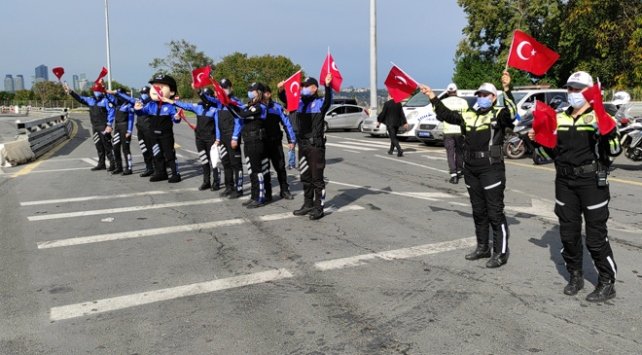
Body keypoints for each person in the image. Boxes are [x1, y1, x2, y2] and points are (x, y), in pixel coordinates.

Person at [529, 71, 621, 302]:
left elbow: (615, 150)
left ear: (590, 93)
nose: (573, 93)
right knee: (568, 234)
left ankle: (607, 282)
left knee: (595, 238)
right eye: (570, 88)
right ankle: (575, 275)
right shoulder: (559, 117)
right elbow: (546, 154)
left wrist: (606, 130)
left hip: (591, 182)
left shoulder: (600, 117)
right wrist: (536, 140)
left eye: (578, 89)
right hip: (564, 182)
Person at [420, 71, 517, 268]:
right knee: (478, 211)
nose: (481, 98)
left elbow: (513, 112)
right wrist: (432, 96)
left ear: (493, 97)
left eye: (485, 95)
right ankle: (483, 247)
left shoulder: (499, 114)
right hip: (471, 168)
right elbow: (445, 114)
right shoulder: (468, 114)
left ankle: (501, 252)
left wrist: (507, 89)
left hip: (491, 168)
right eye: (479, 95)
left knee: (494, 212)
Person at [278, 74, 333, 220]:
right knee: (305, 176)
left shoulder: (320, 103)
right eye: (302, 86)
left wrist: (327, 86)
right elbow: (286, 100)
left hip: (315, 145)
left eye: (306, 86)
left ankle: (318, 208)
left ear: (314, 88)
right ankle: (308, 204)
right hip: (302, 145)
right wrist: (281, 90)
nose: (302, 89)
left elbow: (328, 101)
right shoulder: (300, 103)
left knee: (317, 178)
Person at [161, 88, 221, 191]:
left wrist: (218, 139)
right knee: (204, 160)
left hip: (211, 139)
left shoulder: (215, 109)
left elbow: (218, 125)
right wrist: (170, 101)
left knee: (213, 161)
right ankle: (206, 182)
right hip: (200, 139)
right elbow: (184, 105)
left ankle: (216, 182)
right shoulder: (198, 107)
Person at [134, 74, 182, 183]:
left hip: (166, 135)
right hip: (153, 135)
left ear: (172, 92)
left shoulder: (170, 106)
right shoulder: (151, 105)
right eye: (155, 86)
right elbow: (141, 112)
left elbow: (175, 119)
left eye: (162, 87)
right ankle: (161, 173)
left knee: (169, 154)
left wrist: (177, 118)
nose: (157, 89)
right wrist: (137, 109)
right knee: (156, 154)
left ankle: (175, 174)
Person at [205, 79, 245, 198]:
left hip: (232, 137)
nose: (224, 89)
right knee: (226, 163)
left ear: (231, 87)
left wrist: (235, 137)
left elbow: (239, 120)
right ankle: (229, 187)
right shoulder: (219, 103)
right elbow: (217, 122)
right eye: (221, 88)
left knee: (236, 164)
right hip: (222, 138)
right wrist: (199, 91)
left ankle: (239, 189)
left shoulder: (235, 102)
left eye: (226, 87)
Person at [64, 81, 116, 171]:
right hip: (95, 126)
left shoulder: (106, 100)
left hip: (104, 126)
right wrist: (71, 92)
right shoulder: (90, 99)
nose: (96, 92)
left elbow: (111, 112)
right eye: (95, 90)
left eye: (98, 90)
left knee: (107, 145)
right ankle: (101, 163)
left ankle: (113, 164)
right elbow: (80, 98)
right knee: (98, 145)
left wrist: (109, 125)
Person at [233, 82, 270, 208]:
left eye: (253, 90)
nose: (250, 92)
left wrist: (230, 105)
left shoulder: (260, 106)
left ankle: (260, 197)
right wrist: (228, 105)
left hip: (256, 141)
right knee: (251, 171)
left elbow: (242, 114)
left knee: (256, 170)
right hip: (248, 141)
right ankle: (254, 196)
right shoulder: (250, 105)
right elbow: (239, 113)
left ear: (258, 92)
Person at [263, 85, 296, 200]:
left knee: (280, 167)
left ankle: (284, 190)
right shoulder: (257, 107)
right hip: (262, 143)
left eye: (267, 92)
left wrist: (291, 140)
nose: (265, 95)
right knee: (265, 168)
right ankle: (267, 193)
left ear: (270, 94)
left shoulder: (277, 108)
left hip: (276, 142)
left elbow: (287, 124)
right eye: (263, 92)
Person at [440, 83, 469, 184]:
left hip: (448, 131)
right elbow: (467, 117)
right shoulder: (463, 102)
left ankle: (453, 175)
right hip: (459, 130)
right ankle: (460, 170)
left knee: (450, 153)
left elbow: (438, 114)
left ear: (447, 92)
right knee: (460, 152)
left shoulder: (443, 102)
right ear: (456, 91)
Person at [108, 90, 135, 175]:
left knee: (125, 149)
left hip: (125, 127)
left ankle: (129, 168)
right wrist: (104, 90)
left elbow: (131, 118)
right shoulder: (117, 105)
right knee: (115, 147)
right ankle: (118, 167)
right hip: (117, 128)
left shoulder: (128, 105)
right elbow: (109, 98)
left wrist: (129, 130)